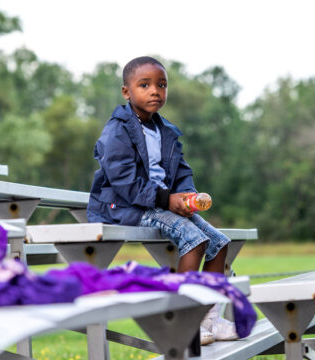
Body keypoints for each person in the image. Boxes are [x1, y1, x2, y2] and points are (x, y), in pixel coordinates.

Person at [86, 56, 237, 345]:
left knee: (219, 244)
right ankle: (183, 320)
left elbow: (181, 170)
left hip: (159, 202)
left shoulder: (165, 131)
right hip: (126, 206)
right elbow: (124, 182)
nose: (155, 91)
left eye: (161, 85)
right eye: (145, 85)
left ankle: (209, 318)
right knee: (194, 239)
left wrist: (187, 195)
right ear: (126, 92)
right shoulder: (117, 130)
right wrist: (167, 199)